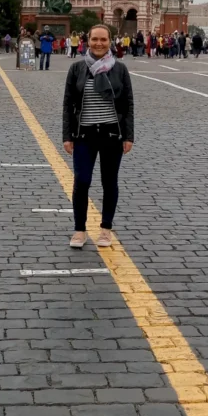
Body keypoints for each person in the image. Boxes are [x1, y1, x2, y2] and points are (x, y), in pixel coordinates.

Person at [62, 24, 134, 250]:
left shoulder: (120, 69)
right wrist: (67, 135)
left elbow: (128, 104)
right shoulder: (76, 68)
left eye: (103, 39)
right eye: (95, 39)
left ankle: (105, 229)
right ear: (87, 40)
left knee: (109, 182)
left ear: (110, 41)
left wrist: (128, 135)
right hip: (84, 134)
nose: (99, 43)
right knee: (82, 182)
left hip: (112, 133)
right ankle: (79, 230)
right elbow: (68, 104)